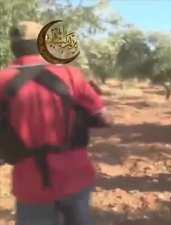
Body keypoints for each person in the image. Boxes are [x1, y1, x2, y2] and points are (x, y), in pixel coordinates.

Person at [0, 21, 112, 225]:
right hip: (75, 176)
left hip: (30, 184)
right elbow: (105, 118)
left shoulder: (2, 79)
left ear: (13, 47)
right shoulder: (71, 75)